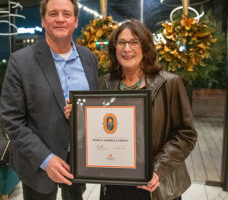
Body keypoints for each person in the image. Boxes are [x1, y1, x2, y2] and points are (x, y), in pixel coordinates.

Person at [65, 19, 197, 200]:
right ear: (114, 49)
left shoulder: (169, 84)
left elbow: (186, 135)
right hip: (115, 184)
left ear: (146, 47)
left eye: (134, 42)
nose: (127, 49)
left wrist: (157, 170)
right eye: (121, 43)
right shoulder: (104, 83)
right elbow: (97, 130)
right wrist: (77, 117)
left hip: (155, 185)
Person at [0, 0, 98, 200]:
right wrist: (46, 159)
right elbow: (12, 121)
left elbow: (96, 107)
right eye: (53, 14)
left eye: (66, 14)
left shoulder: (89, 58)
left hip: (79, 160)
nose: (60, 19)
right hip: (38, 163)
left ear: (75, 21)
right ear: (43, 21)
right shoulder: (21, 61)